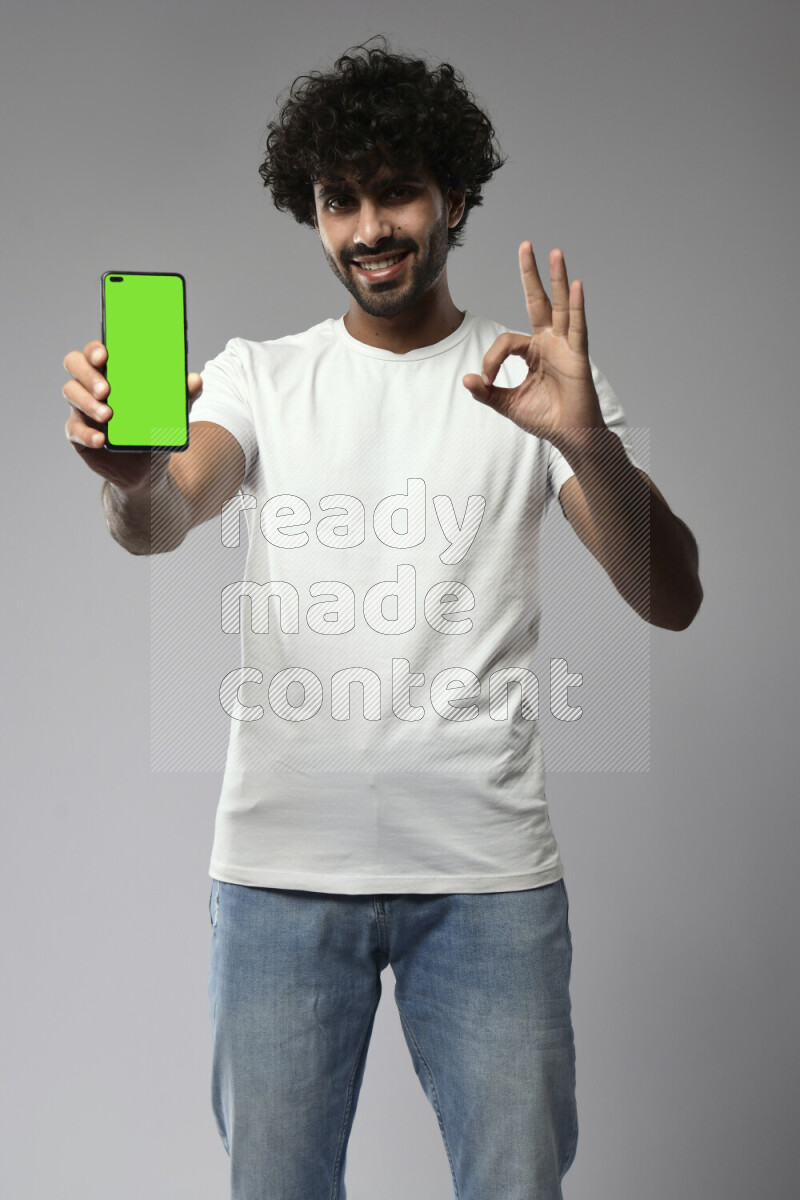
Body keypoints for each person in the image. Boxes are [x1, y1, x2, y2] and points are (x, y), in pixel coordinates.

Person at [62, 35, 702, 1200]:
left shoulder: (531, 384)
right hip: (278, 879)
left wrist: (581, 439)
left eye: (397, 191)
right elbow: (164, 517)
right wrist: (128, 476)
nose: (369, 228)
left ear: (454, 196)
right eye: (338, 201)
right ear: (312, 213)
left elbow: (671, 599)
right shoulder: (259, 377)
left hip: (487, 883)